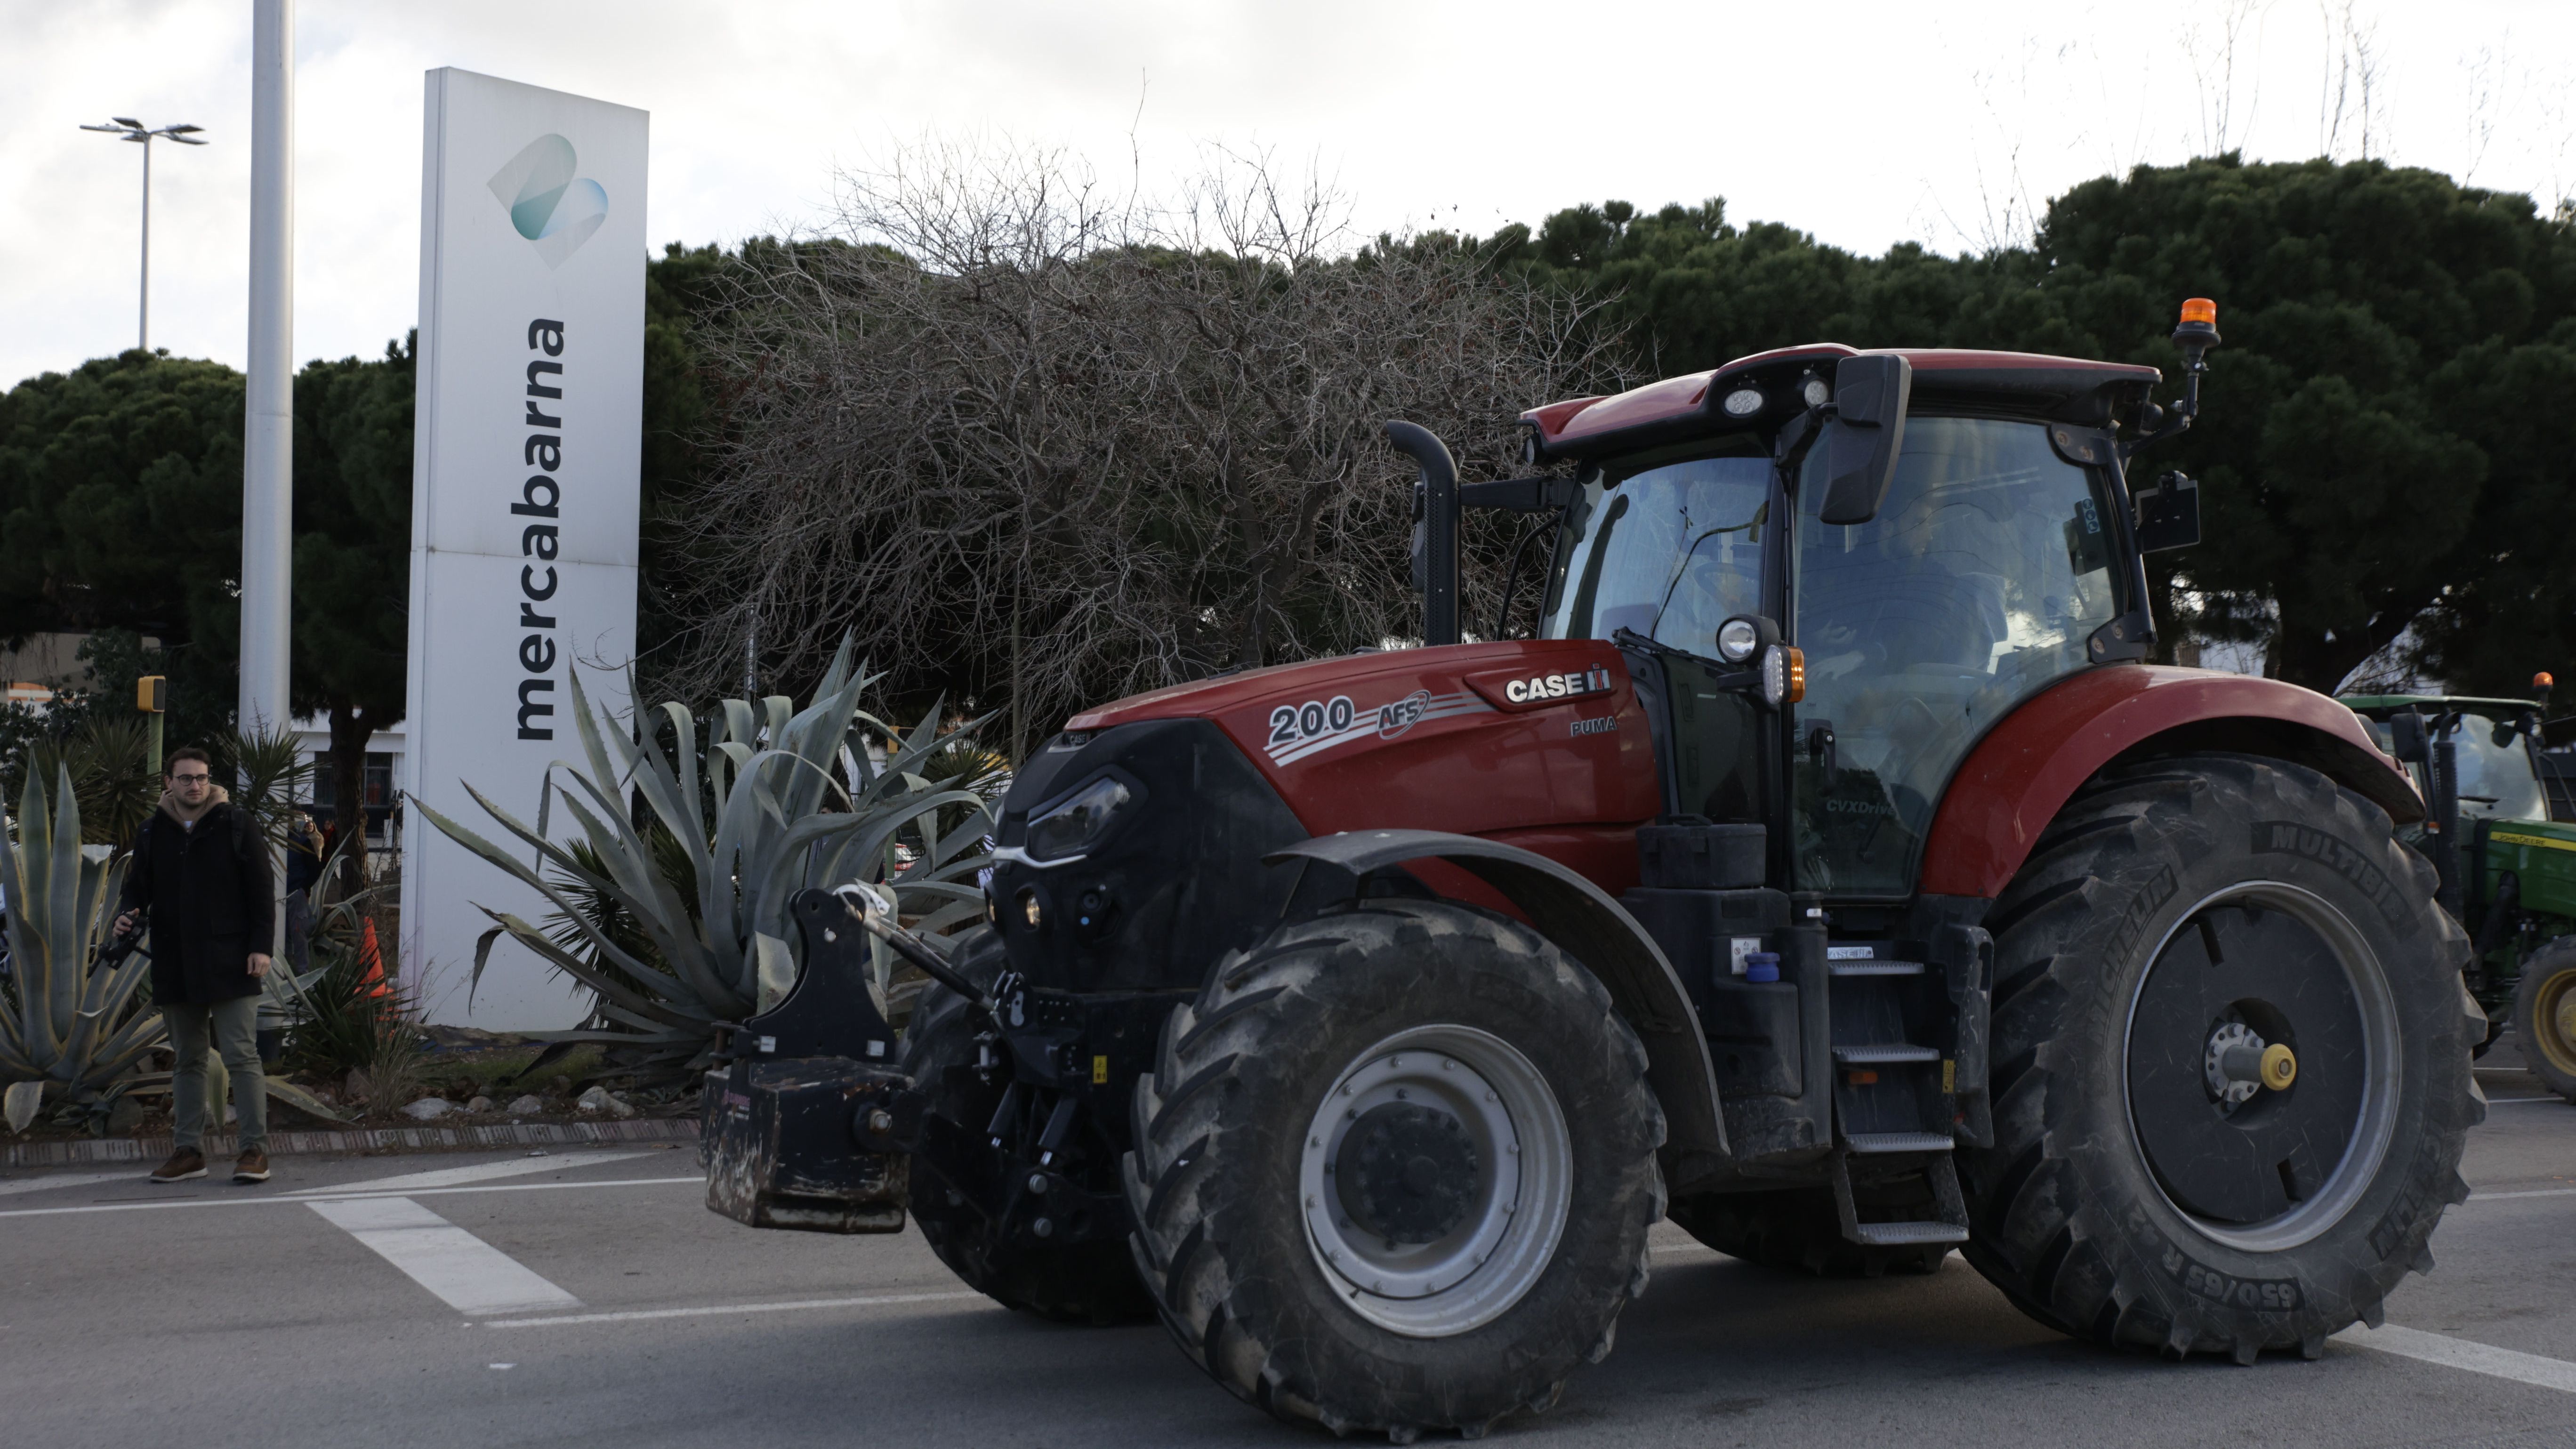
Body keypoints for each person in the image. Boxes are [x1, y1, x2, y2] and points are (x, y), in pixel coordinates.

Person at [115, 747, 276, 1185]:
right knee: (187, 1060)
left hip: (232, 962)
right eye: (185, 778)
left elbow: (262, 891)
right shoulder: (151, 833)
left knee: (242, 1057)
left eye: (202, 778)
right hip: (176, 962)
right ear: (169, 782)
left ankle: (254, 1151)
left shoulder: (237, 825)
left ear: (211, 780)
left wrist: (262, 947)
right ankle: (188, 1153)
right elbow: (136, 889)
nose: (195, 786)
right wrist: (126, 913)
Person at [282, 810, 323, 972]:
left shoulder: (302, 841)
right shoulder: (274, 841)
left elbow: (315, 868)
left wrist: (303, 888)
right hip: (280, 894)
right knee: (282, 934)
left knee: (298, 933)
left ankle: (302, 971)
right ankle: (284, 970)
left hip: (294, 893)